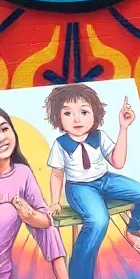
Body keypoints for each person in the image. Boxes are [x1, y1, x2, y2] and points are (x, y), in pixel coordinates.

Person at [44, 84, 140, 277]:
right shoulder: (60, 144)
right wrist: (55, 201)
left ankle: (133, 231)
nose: (77, 119)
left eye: (83, 111)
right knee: (98, 221)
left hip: (105, 180)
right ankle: (80, 274)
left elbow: (118, 162)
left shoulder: (99, 136)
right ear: (58, 118)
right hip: (80, 188)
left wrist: (123, 128)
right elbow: (57, 174)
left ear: (95, 114)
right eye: (68, 113)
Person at [0, 107, 67, 279]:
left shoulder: (22, 173)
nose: (1, 138)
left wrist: (29, 215)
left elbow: (45, 221)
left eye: (4, 128)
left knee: (48, 227)